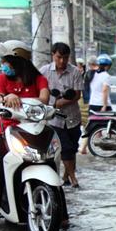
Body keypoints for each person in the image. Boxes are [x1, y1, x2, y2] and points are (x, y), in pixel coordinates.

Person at [0, 40, 50, 231]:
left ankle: (61, 214)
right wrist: (6, 97)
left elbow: (45, 99)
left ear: (19, 62)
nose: (4, 65)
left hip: (34, 130)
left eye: (7, 61)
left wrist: (18, 99)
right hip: (7, 131)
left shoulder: (39, 79)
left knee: (50, 163)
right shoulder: (2, 80)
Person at [40, 42, 84, 188]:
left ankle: (66, 176)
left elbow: (77, 95)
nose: (62, 61)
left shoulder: (75, 72)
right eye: (59, 57)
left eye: (65, 58)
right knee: (64, 148)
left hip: (73, 118)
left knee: (72, 148)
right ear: (53, 55)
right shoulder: (44, 72)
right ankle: (73, 178)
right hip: (54, 119)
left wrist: (61, 102)